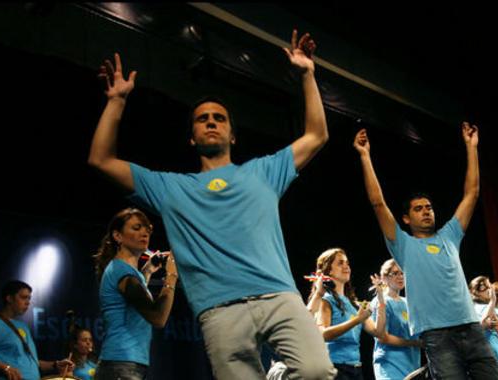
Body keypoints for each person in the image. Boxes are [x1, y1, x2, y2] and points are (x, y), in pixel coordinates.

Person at [88, 28, 334, 379]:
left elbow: (316, 135)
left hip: (278, 296)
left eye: (219, 118)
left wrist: (308, 74)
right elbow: (101, 160)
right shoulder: (171, 188)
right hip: (219, 311)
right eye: (203, 119)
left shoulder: (265, 170)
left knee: (316, 370)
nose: (211, 122)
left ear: (232, 134)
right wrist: (116, 101)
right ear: (192, 138)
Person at [354, 123, 498, 379]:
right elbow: (378, 203)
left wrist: (471, 147)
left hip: (471, 327)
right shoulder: (403, 244)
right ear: (406, 219)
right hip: (437, 334)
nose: (426, 211)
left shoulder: (450, 235)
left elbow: (472, 193)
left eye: (429, 207)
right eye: (419, 208)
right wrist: (365, 156)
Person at [93, 208, 178, 380]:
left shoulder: (128, 273)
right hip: (121, 365)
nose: (145, 233)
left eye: (147, 229)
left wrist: (147, 272)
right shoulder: (122, 273)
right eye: (136, 228)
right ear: (118, 236)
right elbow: (158, 317)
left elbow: (133, 301)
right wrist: (172, 274)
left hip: (124, 365)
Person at [0, 280, 75, 380]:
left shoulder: (23, 326)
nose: (28, 302)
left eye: (29, 298)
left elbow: (32, 364)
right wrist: (4, 367)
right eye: (23, 297)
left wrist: (56, 364)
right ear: (9, 298)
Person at [313, 248, 386, 380]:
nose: (346, 266)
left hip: (355, 369)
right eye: (340, 263)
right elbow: (322, 334)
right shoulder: (326, 300)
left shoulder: (355, 304)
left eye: (347, 263)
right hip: (335, 368)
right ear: (328, 270)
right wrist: (357, 319)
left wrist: (381, 299)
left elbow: (378, 332)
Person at [370, 259, 422, 380]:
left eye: (402, 273)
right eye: (395, 273)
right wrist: (415, 343)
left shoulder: (408, 302)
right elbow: (382, 337)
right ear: (384, 278)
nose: (400, 276)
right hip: (390, 365)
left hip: (412, 364)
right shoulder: (381, 301)